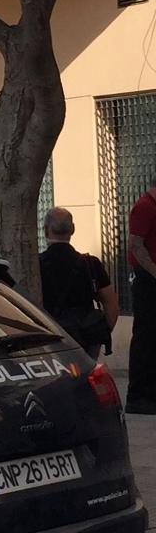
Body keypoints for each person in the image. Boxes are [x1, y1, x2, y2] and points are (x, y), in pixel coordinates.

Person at [39, 207, 119, 360]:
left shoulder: (36, 265)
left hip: (53, 336)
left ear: (45, 230)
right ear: (73, 229)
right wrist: (102, 331)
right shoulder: (91, 264)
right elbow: (111, 304)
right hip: (87, 336)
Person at [127, 177, 156, 415]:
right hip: (148, 279)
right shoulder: (145, 206)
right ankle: (137, 395)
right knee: (145, 336)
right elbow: (136, 245)